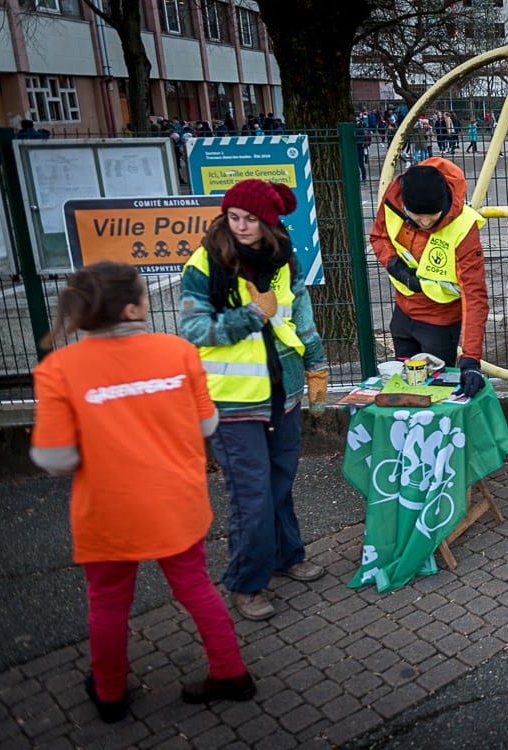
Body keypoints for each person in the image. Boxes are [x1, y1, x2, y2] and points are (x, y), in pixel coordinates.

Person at [32, 262, 256, 722]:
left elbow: (54, 459)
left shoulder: (59, 369)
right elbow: (207, 425)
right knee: (196, 587)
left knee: (109, 604)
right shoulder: (177, 351)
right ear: (133, 307)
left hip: (108, 510)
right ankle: (231, 673)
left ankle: (110, 695)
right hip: (177, 500)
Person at [179, 179, 331, 621]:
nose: (241, 226)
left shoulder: (283, 259)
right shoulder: (207, 264)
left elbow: (300, 314)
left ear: (270, 222)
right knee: (252, 498)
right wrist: (250, 316)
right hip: (232, 401)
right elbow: (191, 332)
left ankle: (287, 556)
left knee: (280, 485)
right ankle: (246, 582)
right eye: (234, 217)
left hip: (282, 391)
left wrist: (317, 363)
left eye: (251, 219)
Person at [368, 158, 489, 394]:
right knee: (407, 387)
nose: (424, 223)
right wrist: (396, 269)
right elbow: (379, 237)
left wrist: (471, 360)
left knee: (434, 393)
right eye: (416, 216)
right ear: (404, 204)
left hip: (440, 324)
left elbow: (475, 296)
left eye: (432, 217)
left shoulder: (464, 228)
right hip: (403, 316)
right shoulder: (394, 197)